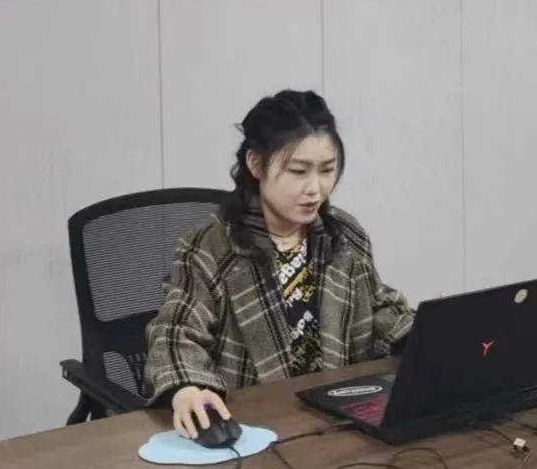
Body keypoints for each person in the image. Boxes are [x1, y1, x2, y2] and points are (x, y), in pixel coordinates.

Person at [145, 89, 414, 439]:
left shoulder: (343, 234)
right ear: (256, 164)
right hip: (255, 425)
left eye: (327, 170)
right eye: (298, 171)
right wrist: (187, 388)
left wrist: (428, 334)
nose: (315, 189)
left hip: (336, 421)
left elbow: (378, 308)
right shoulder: (211, 247)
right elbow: (175, 332)